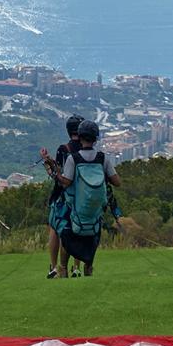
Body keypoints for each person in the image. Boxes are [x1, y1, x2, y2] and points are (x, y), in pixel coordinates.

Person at [56, 119, 121, 277]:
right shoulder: (102, 158)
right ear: (95, 138)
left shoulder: (73, 159)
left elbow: (67, 182)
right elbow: (117, 182)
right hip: (96, 210)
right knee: (91, 239)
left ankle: (63, 268)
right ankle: (88, 268)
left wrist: (56, 174)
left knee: (67, 236)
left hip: (76, 209)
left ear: (80, 136)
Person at [40, 115, 84, 279]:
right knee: (77, 231)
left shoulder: (64, 149)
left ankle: (54, 267)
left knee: (55, 229)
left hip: (61, 195)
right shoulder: (86, 150)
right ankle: (77, 268)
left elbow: (58, 173)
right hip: (80, 195)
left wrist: (47, 163)